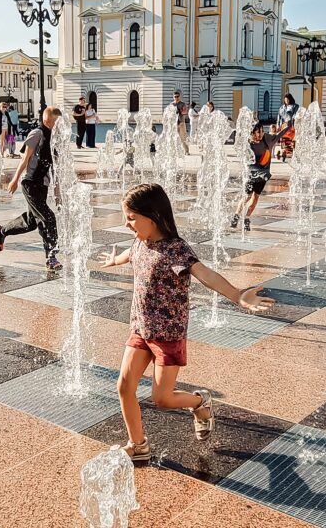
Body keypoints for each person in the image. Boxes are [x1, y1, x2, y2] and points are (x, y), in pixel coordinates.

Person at [100, 183, 275, 462]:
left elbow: (206, 274)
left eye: (132, 217)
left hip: (167, 335)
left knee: (162, 399)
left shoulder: (176, 250)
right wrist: (115, 260)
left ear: (153, 215)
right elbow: (130, 254)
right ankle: (138, 444)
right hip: (140, 328)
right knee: (124, 386)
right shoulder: (140, 242)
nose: (126, 223)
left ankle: (200, 401)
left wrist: (237, 295)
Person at [0, 107, 63, 271]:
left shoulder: (55, 139)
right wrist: (15, 180)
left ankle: (2, 232)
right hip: (30, 184)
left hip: (42, 186)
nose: (59, 127)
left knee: (32, 222)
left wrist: (58, 195)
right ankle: (51, 257)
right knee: (49, 218)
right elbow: (25, 159)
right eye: (56, 123)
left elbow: (55, 169)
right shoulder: (37, 134)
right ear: (47, 121)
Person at [231, 120, 291, 230]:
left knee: (255, 197)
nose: (260, 134)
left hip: (263, 175)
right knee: (247, 196)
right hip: (251, 175)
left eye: (262, 131)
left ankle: (247, 218)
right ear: (252, 133)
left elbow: (279, 134)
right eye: (258, 132)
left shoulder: (267, 140)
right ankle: (236, 215)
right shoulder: (248, 144)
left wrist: (290, 125)